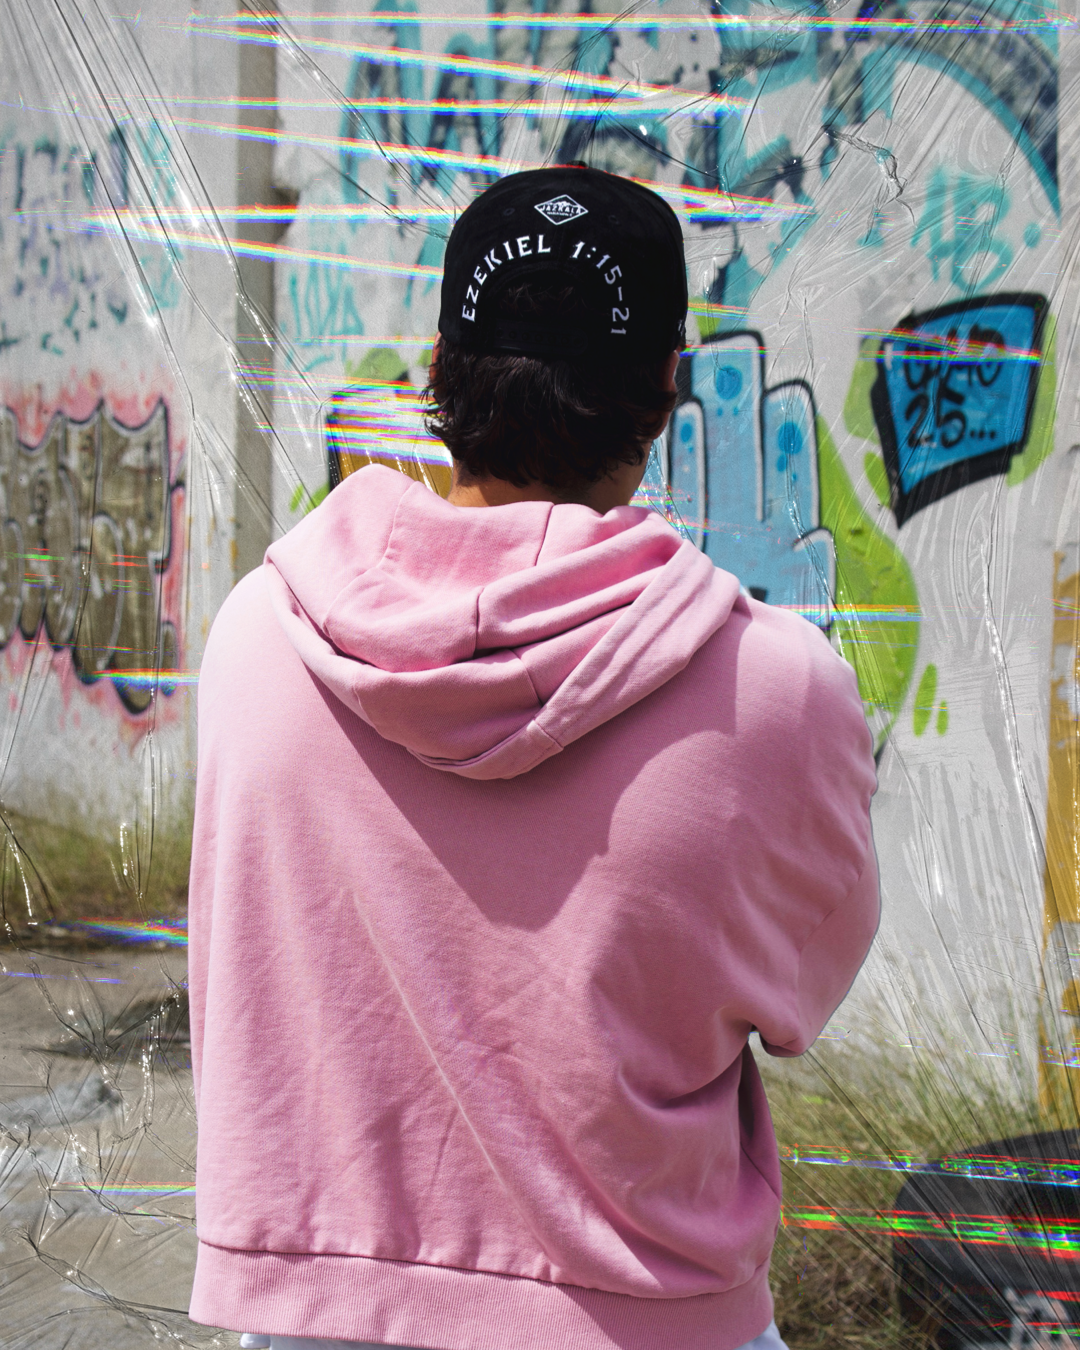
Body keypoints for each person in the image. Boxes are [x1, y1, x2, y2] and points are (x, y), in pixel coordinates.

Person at [187, 165, 879, 1350]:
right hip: (645, 1318)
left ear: (438, 370)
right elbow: (800, 993)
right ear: (667, 384)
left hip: (315, 1317)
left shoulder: (260, 637)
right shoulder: (776, 692)